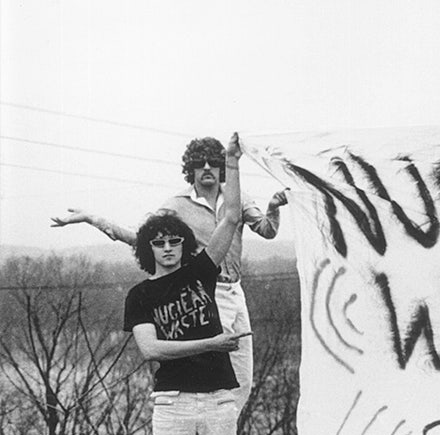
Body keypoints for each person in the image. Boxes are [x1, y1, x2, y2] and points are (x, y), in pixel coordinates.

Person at [123, 132, 269, 435]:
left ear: (187, 246)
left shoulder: (204, 274)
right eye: (158, 243)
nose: (167, 248)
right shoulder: (140, 296)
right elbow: (150, 350)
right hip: (172, 403)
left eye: (174, 241)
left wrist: (231, 162)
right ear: (148, 250)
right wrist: (212, 344)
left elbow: (230, 216)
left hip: (217, 399)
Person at [52, 137, 288, 416]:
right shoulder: (177, 205)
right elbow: (141, 236)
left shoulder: (237, 198)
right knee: (210, 371)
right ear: (192, 168)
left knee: (243, 378)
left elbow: (266, 230)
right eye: (200, 164)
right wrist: (93, 219)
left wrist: (273, 205)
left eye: (214, 162)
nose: (208, 168)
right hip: (202, 293)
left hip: (235, 290)